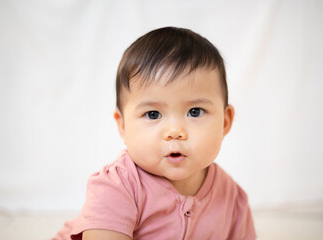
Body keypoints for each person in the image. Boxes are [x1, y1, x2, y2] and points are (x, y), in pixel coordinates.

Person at [54, 27, 256, 240]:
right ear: (122, 126)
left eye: (194, 112)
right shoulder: (116, 188)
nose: (175, 132)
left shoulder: (232, 199)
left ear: (225, 122)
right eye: (153, 114)